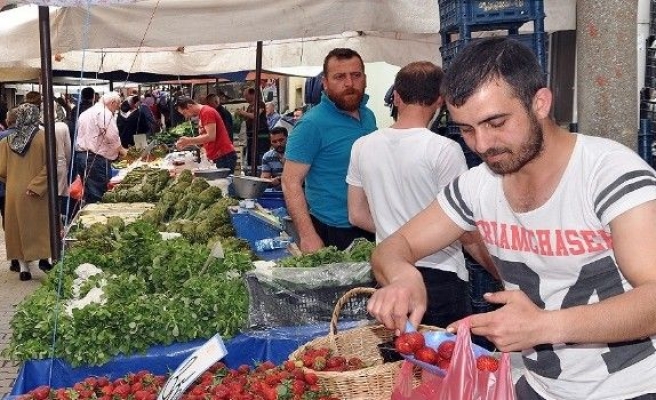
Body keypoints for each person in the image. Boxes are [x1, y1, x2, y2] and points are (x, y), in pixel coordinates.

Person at [366, 37, 656, 400]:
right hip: (532, 384)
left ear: (540, 103)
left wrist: (543, 326)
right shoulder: (478, 185)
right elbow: (395, 245)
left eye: (496, 122)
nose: (482, 145)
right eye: (466, 130)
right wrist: (401, 275)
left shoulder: (609, 175)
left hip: (631, 389)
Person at [346, 61, 496, 328]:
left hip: (389, 277)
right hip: (442, 276)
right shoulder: (444, 149)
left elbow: (356, 215)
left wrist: (396, 234)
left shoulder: (362, 146)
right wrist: (500, 271)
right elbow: (463, 226)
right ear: (440, 100)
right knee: (442, 363)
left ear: (396, 97)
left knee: (394, 365)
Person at [282, 48, 377, 252]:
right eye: (339, 77)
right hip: (334, 232)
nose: (349, 83)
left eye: (356, 75)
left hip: (373, 224)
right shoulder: (311, 125)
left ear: (365, 78)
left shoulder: (368, 116)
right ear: (325, 82)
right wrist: (307, 236)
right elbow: (290, 182)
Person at [0, 103, 51, 281]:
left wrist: (13, 180)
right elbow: (50, 167)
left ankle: (23, 268)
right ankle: (44, 259)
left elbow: (2, 170)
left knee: (17, 228)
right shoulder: (44, 138)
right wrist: (37, 185)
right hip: (37, 191)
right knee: (39, 227)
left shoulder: (7, 141)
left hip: (14, 191)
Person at [74, 92, 127, 204]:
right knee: (97, 194)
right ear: (112, 103)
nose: (116, 111)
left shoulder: (86, 113)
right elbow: (112, 136)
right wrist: (121, 150)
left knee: (89, 193)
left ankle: (89, 217)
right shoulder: (104, 113)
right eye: (116, 107)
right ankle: (96, 219)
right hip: (95, 159)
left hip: (81, 156)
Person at [175, 96, 237, 173]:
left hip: (224, 156)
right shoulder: (203, 113)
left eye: (185, 113)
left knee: (224, 184)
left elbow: (211, 136)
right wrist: (187, 143)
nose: (186, 116)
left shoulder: (206, 112)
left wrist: (188, 141)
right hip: (220, 156)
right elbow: (205, 137)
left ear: (189, 106)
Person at [0, 109, 19, 272]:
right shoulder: (28, 137)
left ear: (8, 120)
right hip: (17, 186)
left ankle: (14, 258)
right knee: (19, 220)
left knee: (8, 223)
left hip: (4, 185)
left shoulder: (3, 136)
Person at [236, 87, 269, 168]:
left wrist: (243, 113)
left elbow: (255, 115)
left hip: (260, 137)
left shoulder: (260, 103)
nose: (245, 98)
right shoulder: (249, 106)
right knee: (251, 157)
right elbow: (248, 118)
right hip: (251, 136)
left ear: (252, 94)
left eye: (246, 96)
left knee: (259, 157)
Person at [260, 126, 288, 190]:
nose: (278, 144)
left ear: (287, 138)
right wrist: (272, 181)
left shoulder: (296, 153)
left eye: (281, 140)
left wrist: (286, 164)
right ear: (270, 142)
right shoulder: (267, 156)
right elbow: (264, 179)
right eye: (274, 142)